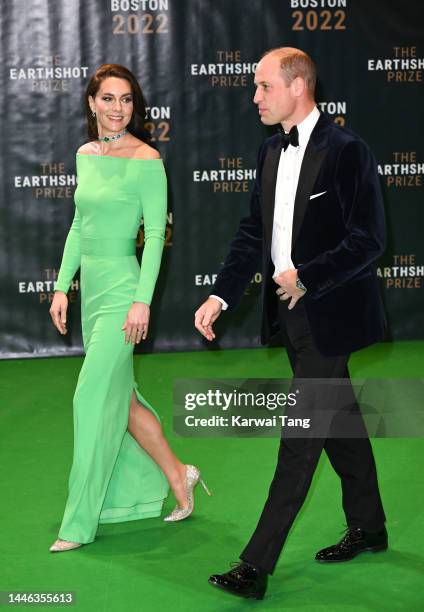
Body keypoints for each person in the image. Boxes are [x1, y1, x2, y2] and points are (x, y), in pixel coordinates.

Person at [195, 47, 387, 600]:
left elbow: (368, 239)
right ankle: (370, 526)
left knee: (301, 438)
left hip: (329, 314)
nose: (255, 96)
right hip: (290, 317)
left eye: (263, 86)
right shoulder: (268, 151)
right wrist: (221, 295)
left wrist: (307, 276)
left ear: (297, 86)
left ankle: (255, 566)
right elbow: (253, 234)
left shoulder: (348, 150)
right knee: (340, 424)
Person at [49, 64, 210, 553]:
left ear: (134, 107)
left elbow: (157, 236)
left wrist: (142, 301)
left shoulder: (147, 159)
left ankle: (77, 524)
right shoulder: (85, 154)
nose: (118, 108)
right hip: (92, 292)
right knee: (127, 402)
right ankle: (178, 475)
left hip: (123, 289)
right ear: (92, 102)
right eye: (109, 99)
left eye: (126, 100)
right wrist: (61, 286)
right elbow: (79, 224)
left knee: (90, 399)